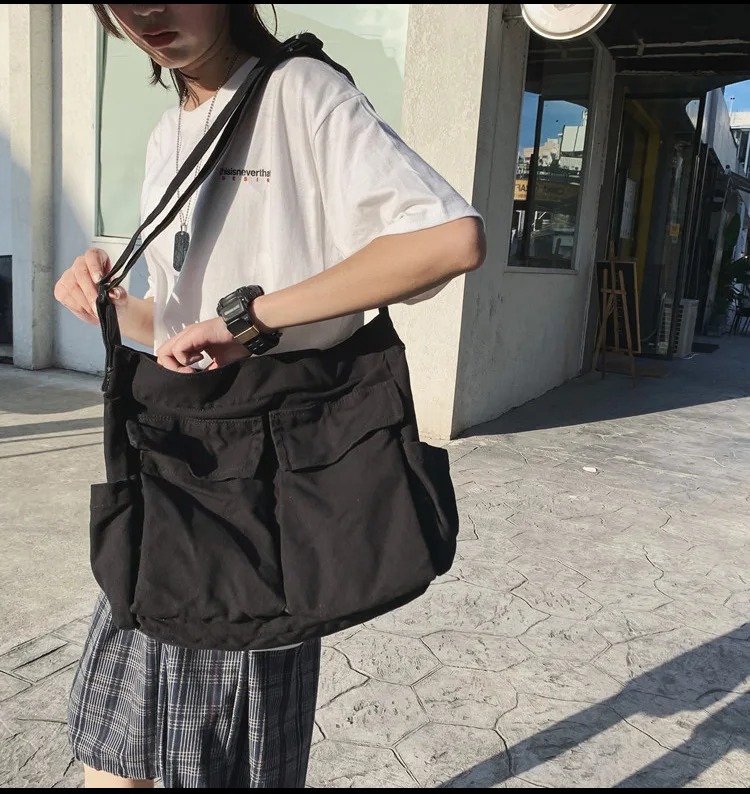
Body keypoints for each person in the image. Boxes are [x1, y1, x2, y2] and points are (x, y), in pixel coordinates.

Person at [55, 3, 485, 789]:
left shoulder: (299, 91)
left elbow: (449, 238)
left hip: (260, 496)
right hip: (174, 484)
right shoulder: (169, 134)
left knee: (203, 770)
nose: (145, 10)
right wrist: (110, 304)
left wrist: (253, 319)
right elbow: (181, 327)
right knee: (110, 759)